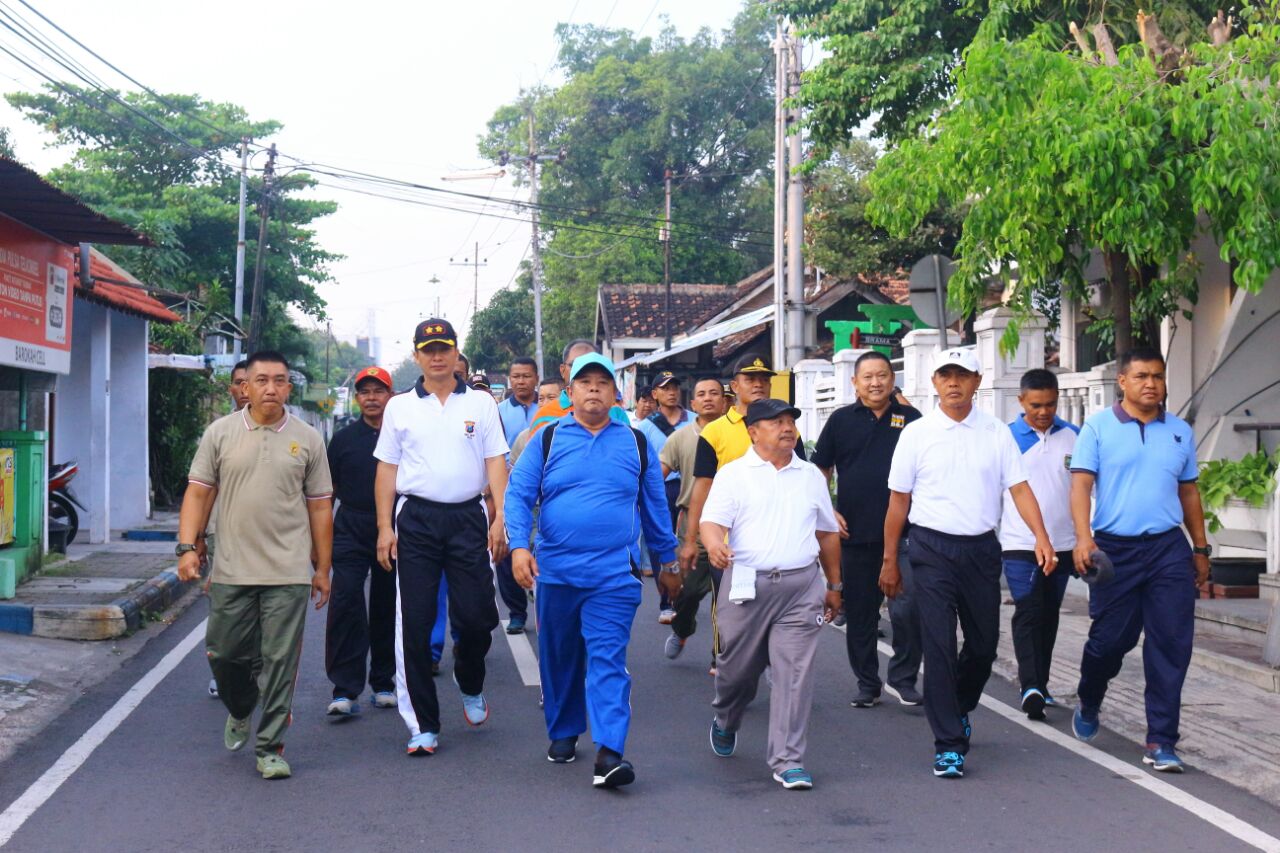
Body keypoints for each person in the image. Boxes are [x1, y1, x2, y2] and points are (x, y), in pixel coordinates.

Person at [505, 352, 680, 789]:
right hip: (557, 572)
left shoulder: (636, 443)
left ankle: (609, 752)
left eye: (604, 382)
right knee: (560, 655)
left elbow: (656, 510)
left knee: (607, 659)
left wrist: (668, 562)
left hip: (613, 576)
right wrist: (518, 548)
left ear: (615, 393)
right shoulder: (546, 439)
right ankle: (564, 730)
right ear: (571, 392)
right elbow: (518, 496)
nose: (595, 389)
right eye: (586, 382)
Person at [882, 347, 1054, 779]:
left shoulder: (996, 433)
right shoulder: (916, 434)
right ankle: (949, 744)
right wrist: (890, 561)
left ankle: (958, 706)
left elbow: (1018, 489)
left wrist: (1042, 537)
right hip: (930, 549)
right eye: (946, 375)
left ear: (977, 382)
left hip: (980, 550)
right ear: (935, 382)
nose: (954, 382)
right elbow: (899, 500)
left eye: (963, 375)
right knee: (938, 646)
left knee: (982, 647)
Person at [176, 351, 334, 780]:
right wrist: (187, 547)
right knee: (225, 654)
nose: (270, 388)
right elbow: (197, 493)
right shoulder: (220, 434)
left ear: (288, 387)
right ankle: (241, 707)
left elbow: (320, 508)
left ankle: (270, 748)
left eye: (279, 381)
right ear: (244, 387)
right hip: (231, 568)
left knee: (280, 662)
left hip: (288, 571)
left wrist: (322, 568)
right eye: (261, 380)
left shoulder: (308, 439)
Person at [1069, 347, 1210, 773]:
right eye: (1143, 376)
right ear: (1123, 383)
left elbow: (1189, 492)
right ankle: (1090, 697)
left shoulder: (1180, 431)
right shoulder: (1096, 428)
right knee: (1112, 640)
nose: (1152, 383)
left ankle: (1161, 741)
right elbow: (1080, 487)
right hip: (1115, 550)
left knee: (1171, 645)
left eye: (1158, 377)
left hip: (1168, 549)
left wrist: (1200, 547)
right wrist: (1083, 539)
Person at [373, 318, 509, 756]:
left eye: (444, 348)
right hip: (416, 519)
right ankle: (423, 725)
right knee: (413, 624)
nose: (436, 356)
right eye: (428, 349)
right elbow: (387, 470)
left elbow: (495, 461)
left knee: (476, 618)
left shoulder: (482, 404)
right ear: (417, 356)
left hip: (468, 517)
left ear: (455, 353)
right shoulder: (399, 407)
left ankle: (469, 681)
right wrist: (383, 527)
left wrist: (501, 516)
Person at [701, 399, 843, 791]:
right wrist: (714, 545)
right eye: (776, 422)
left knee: (794, 674)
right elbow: (711, 522)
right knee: (737, 671)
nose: (786, 429)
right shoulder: (734, 475)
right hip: (747, 584)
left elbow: (827, 532)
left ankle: (788, 759)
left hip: (801, 587)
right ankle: (727, 717)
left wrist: (834, 584)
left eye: (790, 423)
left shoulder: (811, 475)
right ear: (753, 432)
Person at [811, 350, 924, 709]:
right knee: (860, 614)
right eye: (868, 377)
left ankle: (904, 678)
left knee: (908, 608)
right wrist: (827, 509)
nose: (875, 383)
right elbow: (819, 472)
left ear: (893, 380)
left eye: (882, 376)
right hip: (855, 536)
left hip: (907, 535)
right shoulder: (841, 420)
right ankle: (867, 682)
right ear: (855, 383)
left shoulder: (913, 420)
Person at [683, 354, 799, 605]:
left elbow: (801, 479)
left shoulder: (787, 428)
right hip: (731, 543)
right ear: (734, 386)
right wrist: (691, 541)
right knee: (730, 618)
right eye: (750, 379)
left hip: (779, 541)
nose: (758, 384)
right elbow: (703, 487)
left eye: (763, 380)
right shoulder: (714, 431)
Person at [999, 369, 1079, 720]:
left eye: (1049, 404)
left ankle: (1041, 685)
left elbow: (1085, 490)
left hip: (1063, 543)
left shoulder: (1074, 437)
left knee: (1048, 614)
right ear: (1021, 401)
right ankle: (1029, 684)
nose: (1043, 412)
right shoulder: (1006, 439)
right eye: (1035, 405)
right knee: (1028, 608)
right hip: (1019, 543)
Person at [324, 366, 397, 718]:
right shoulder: (343, 440)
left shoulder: (401, 436)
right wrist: (319, 545)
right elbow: (327, 494)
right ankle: (344, 689)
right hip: (351, 526)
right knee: (346, 601)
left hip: (393, 531)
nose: (371, 398)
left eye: (378, 391)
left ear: (390, 395)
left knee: (386, 605)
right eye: (365, 392)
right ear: (357, 398)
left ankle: (383, 682)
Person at [659, 377, 728, 668]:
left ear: (725, 401)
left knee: (724, 595)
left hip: (731, 525)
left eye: (715, 393)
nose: (709, 398)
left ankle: (720, 656)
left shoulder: (743, 433)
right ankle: (682, 628)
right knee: (688, 594)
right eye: (702, 394)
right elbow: (657, 475)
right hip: (694, 521)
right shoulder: (681, 437)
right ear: (693, 404)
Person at [204, 359, 249, 699]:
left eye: (254, 380)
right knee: (225, 607)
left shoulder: (288, 432)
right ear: (231, 389)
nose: (246, 389)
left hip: (269, 537)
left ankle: (257, 668)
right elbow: (203, 488)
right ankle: (224, 669)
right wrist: (192, 541)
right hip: (222, 531)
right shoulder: (219, 433)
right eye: (239, 382)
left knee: (265, 605)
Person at [637, 371, 695, 623]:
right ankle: (666, 601)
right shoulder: (646, 427)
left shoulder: (694, 421)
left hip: (690, 487)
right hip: (659, 488)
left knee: (689, 543)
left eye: (675, 387)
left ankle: (688, 592)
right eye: (665, 388)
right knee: (662, 543)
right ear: (655, 394)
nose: (672, 392)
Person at [495, 356, 540, 634]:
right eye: (516, 376)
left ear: (536, 378)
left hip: (545, 492)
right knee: (507, 550)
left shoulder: (548, 409)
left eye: (526, 376)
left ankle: (543, 600)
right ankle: (516, 611)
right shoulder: (498, 411)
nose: (521, 381)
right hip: (510, 489)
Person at [530, 340, 628, 435]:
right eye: (575, 364)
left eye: (591, 365)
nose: (593, 387)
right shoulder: (544, 416)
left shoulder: (616, 412)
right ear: (562, 370)